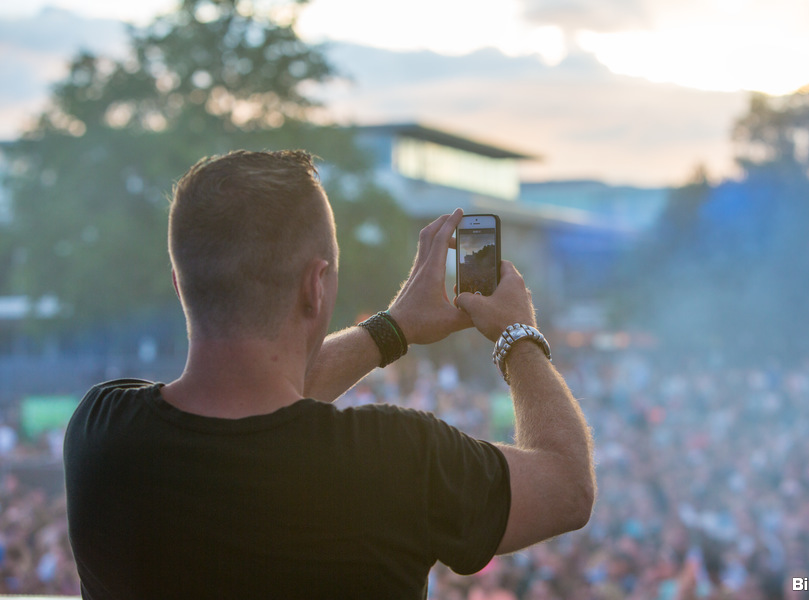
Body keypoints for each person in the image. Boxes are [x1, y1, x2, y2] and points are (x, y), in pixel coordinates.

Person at [63, 150, 595, 599]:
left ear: (181, 283)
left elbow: (250, 408)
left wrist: (394, 328)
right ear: (315, 288)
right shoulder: (397, 459)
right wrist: (516, 336)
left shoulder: (102, 434)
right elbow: (568, 486)